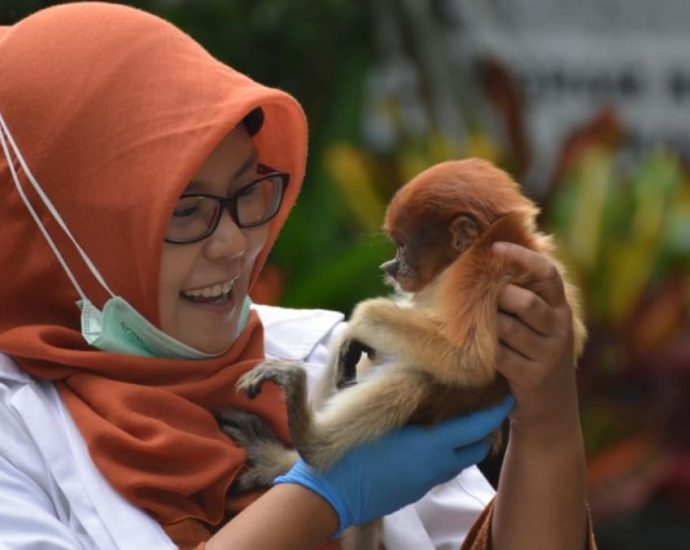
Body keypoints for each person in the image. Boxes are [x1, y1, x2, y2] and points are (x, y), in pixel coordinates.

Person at [0, 3, 595, 549]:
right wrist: (318, 498)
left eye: (247, 191)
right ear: (64, 233)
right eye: (184, 209)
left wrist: (544, 423)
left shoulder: (321, 353)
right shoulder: (16, 432)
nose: (235, 243)